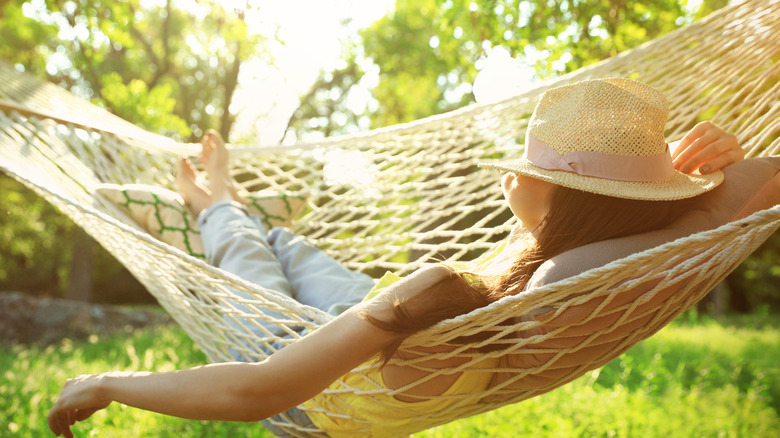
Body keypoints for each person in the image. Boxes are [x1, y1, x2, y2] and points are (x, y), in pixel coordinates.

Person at [47, 78, 744, 437]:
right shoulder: (586, 262)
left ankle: (216, 205)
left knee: (242, 256)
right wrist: (689, 194)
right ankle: (247, 210)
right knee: (292, 248)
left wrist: (108, 382)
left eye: (530, 166)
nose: (515, 174)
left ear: (569, 197)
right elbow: (755, 185)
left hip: (309, 376)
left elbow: (255, 390)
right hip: (394, 315)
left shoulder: (536, 279)